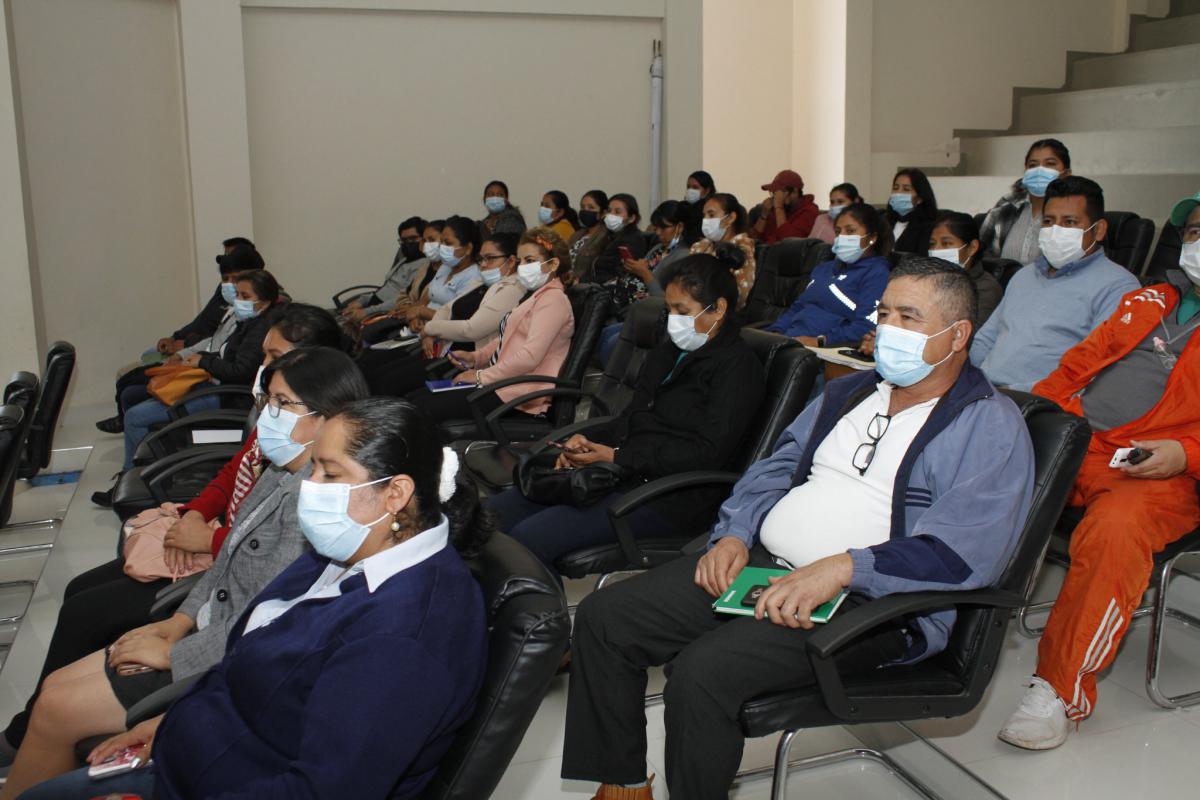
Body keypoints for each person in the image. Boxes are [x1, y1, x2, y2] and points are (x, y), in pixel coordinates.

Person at [562, 258, 1035, 800]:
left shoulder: (988, 425)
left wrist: (843, 568)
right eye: (884, 314)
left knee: (702, 673)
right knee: (605, 618)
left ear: (958, 335)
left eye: (909, 317)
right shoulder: (849, 392)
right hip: (763, 566)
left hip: (868, 604)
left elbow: (961, 553)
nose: (888, 330)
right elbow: (774, 468)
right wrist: (734, 534)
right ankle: (624, 788)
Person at [17, 398, 491, 800]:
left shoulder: (401, 639)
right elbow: (246, 657)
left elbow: (319, 791)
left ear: (396, 494)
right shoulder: (345, 553)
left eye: (329, 473)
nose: (309, 487)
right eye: (313, 468)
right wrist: (171, 720)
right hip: (196, 750)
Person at [0, 348, 371, 799]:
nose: (266, 414)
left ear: (327, 417)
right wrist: (177, 621)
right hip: (202, 631)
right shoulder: (280, 472)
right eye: (267, 400)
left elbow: (268, 619)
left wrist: (178, 654)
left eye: (281, 403)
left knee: (57, 707)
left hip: (222, 661)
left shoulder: (315, 502)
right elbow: (226, 560)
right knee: (54, 687)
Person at [998, 193, 1200, 751]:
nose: (1199, 242)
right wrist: (1043, 417)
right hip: (1080, 440)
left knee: (1115, 532)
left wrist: (1186, 454)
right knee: (982, 463)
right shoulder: (1150, 299)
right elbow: (1077, 365)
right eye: (1194, 231)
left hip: (1163, 470)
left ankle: (1059, 690)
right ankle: (925, 621)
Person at [489, 254, 765, 570]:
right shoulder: (669, 351)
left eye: (683, 311)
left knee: (530, 538)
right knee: (494, 515)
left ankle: (527, 602)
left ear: (718, 308)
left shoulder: (738, 369)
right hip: (621, 474)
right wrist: (586, 441)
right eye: (670, 310)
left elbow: (707, 454)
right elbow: (632, 418)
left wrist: (617, 457)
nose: (674, 320)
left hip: (669, 497)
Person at [106, 269, 285, 485]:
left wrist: (203, 361)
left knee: (135, 417)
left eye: (245, 296)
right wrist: (199, 358)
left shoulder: (261, 330)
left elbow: (240, 371)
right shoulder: (249, 321)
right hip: (214, 386)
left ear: (264, 302)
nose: (238, 301)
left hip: (226, 397)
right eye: (238, 294)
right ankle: (141, 473)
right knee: (139, 398)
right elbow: (225, 354)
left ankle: (134, 480)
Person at [970, 176, 1140, 391]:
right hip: (983, 391)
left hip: (1037, 401)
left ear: (1098, 230)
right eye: (1049, 221)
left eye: (1070, 222)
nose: (1055, 230)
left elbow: (1094, 369)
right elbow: (985, 340)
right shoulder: (1023, 276)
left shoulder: (1119, 287)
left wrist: (1012, 396)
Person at [406, 228, 575, 429]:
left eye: (530, 260)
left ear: (553, 264)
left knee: (421, 408)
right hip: (503, 384)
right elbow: (507, 337)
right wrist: (477, 357)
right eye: (521, 261)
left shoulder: (554, 300)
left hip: (518, 394)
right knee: (415, 398)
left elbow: (530, 356)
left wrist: (480, 376)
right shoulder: (536, 295)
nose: (522, 267)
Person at [97, 242, 264, 435]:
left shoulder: (257, 317)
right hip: (205, 371)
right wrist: (180, 345)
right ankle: (148, 439)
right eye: (226, 279)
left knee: (135, 408)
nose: (230, 285)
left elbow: (236, 367)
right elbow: (205, 327)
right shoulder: (236, 307)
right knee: (133, 384)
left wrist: (195, 356)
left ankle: (146, 443)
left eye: (235, 280)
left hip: (217, 388)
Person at [358, 233, 525, 397]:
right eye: (481, 259)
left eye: (490, 258)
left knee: (389, 383)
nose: (483, 265)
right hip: (444, 349)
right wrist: (430, 334)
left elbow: (472, 329)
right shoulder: (481, 282)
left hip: (466, 362)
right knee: (374, 368)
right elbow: (446, 309)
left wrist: (430, 329)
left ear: (511, 261)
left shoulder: (512, 289)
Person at [766, 202, 892, 346]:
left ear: (872, 238)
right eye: (838, 232)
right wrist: (775, 332)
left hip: (823, 349)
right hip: (790, 340)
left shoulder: (877, 273)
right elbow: (798, 307)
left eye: (850, 231)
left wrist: (820, 341)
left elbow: (865, 327)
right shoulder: (825, 268)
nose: (842, 236)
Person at [599, 200, 694, 366]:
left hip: (653, 315)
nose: (658, 233)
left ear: (679, 227)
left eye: (664, 228)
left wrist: (645, 273)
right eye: (656, 228)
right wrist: (634, 268)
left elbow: (666, 299)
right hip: (631, 307)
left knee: (612, 344)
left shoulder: (683, 256)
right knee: (602, 335)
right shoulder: (658, 249)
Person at [981, 138, 1072, 265]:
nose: (1039, 170)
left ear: (1066, 173)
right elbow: (980, 253)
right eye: (1033, 165)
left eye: (1050, 164)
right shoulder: (1007, 206)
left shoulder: (1072, 211)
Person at [359, 219, 445, 346]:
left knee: (372, 332)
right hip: (405, 316)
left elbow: (434, 305)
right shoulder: (425, 267)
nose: (426, 245)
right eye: (424, 241)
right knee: (367, 330)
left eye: (431, 240)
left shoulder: (447, 271)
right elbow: (404, 294)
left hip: (423, 324)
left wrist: (413, 311)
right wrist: (406, 306)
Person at [340, 216, 430, 323]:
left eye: (413, 239)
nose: (408, 243)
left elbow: (403, 300)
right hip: (373, 304)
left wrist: (366, 312)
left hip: (384, 312)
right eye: (404, 240)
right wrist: (361, 301)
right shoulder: (404, 259)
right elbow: (385, 288)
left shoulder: (424, 265)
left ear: (424, 239)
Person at [402, 216, 484, 329]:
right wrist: (415, 318)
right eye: (441, 242)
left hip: (445, 334)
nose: (442, 248)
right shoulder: (445, 267)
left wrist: (421, 312)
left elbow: (458, 320)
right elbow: (425, 300)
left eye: (448, 243)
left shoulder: (475, 277)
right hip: (422, 329)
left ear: (468, 248)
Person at [928, 210, 1003, 324]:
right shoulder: (927, 280)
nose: (936, 250)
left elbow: (971, 332)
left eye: (946, 243)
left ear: (972, 247)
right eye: (932, 244)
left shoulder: (986, 289)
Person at [689, 192, 755, 309]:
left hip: (718, 313)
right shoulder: (700, 246)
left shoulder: (742, 249)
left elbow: (738, 297)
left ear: (730, 218)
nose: (706, 220)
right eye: (704, 216)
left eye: (711, 215)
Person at [587, 193, 648, 286]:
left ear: (631, 218)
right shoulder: (609, 235)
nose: (611, 215)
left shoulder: (632, 240)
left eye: (617, 212)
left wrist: (588, 283)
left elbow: (620, 274)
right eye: (609, 210)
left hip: (607, 289)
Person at [749, 169, 819, 244]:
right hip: (764, 249)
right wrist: (764, 214)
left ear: (794, 192)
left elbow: (788, 242)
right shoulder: (777, 209)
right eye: (773, 193)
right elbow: (752, 239)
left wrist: (779, 207)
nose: (775, 197)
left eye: (779, 193)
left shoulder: (809, 211)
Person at [885, 168, 938, 255]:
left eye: (906, 189)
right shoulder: (883, 221)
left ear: (920, 198)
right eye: (895, 188)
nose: (898, 193)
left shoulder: (929, 227)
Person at [568, 189, 611, 282]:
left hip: (585, 285)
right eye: (582, 207)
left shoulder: (606, 237)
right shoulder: (577, 234)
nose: (585, 211)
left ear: (603, 213)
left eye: (591, 207)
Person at [683, 169, 717, 239]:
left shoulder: (713, 208)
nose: (690, 191)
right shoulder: (684, 207)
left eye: (695, 187)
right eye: (688, 187)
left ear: (707, 190)